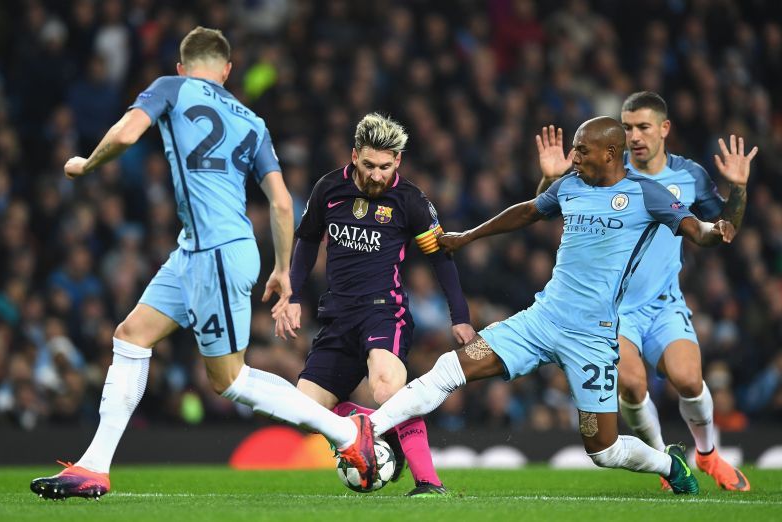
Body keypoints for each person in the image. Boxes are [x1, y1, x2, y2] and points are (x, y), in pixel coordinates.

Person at [30, 27, 376, 500]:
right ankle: (94, 465)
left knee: (229, 380)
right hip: (196, 250)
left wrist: (87, 164)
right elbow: (279, 202)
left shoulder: (171, 88)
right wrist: (281, 269)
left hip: (216, 251)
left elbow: (129, 131)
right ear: (228, 71)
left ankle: (347, 435)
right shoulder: (252, 121)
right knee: (132, 336)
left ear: (181, 67)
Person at [367, 116, 740, 495]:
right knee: (451, 367)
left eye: (581, 149)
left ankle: (668, 464)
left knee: (604, 450)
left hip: (592, 339)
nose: (573, 156)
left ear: (610, 152)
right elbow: (528, 210)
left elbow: (698, 230)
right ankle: (367, 432)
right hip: (542, 320)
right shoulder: (570, 186)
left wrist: (717, 229)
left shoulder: (647, 194)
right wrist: (466, 237)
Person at [534, 91, 756, 491]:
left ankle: (707, 455)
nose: (633, 135)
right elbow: (546, 208)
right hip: (614, 310)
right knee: (632, 385)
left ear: (664, 129)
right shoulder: (601, 174)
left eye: (643, 127)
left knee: (689, 380)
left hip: (663, 304)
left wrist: (738, 190)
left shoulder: (689, 176)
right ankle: (666, 463)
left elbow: (724, 227)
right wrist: (550, 177)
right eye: (627, 127)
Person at [274, 113, 475, 497]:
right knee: (303, 408)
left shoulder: (410, 200)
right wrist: (292, 296)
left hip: (384, 311)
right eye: (368, 165)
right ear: (354, 156)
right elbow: (306, 243)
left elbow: (440, 259)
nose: (377, 175)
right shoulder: (328, 189)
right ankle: (379, 429)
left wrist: (460, 316)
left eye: (385, 166)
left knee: (386, 388)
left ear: (397, 161)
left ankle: (428, 483)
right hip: (336, 316)